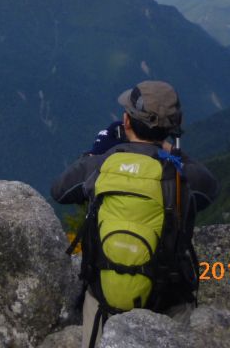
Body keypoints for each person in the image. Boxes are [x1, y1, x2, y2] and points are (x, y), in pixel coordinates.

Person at [52, 81, 219, 348]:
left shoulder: (103, 164)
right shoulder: (180, 176)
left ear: (126, 121)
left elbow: (60, 190)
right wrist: (171, 151)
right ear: (173, 127)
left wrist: (98, 152)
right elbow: (210, 188)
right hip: (166, 302)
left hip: (102, 300)